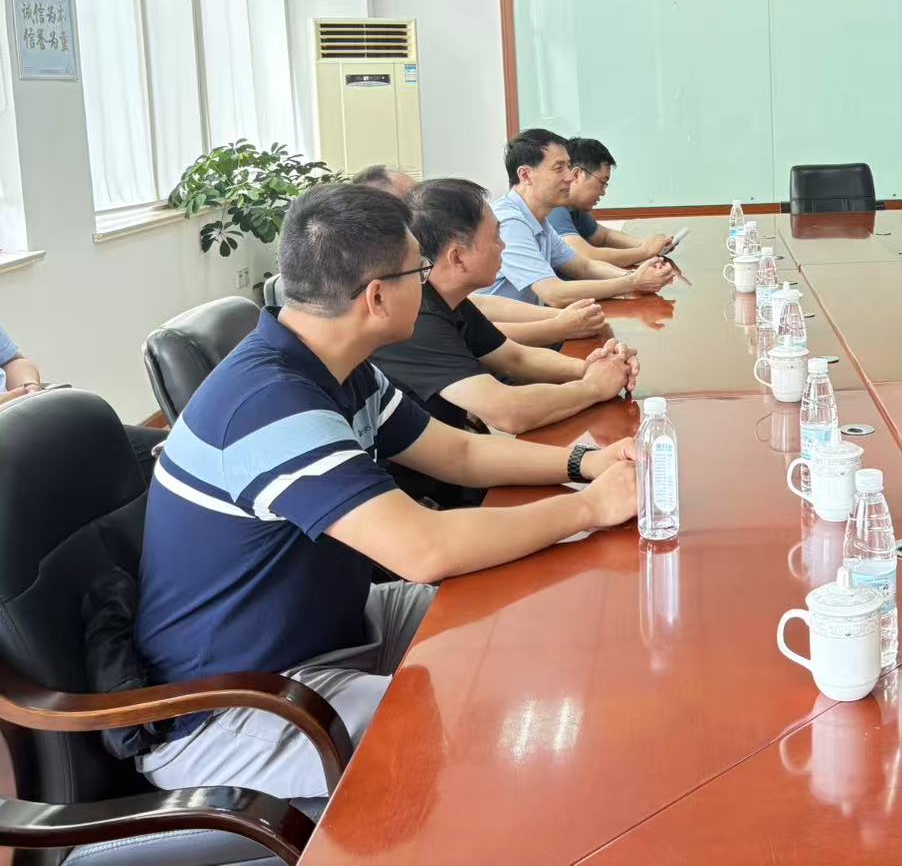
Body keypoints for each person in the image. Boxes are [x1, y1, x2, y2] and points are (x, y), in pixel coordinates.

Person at [133, 184, 639, 802]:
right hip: (238, 702)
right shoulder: (268, 404)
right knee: (473, 733)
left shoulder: (342, 367)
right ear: (377, 297)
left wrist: (586, 463)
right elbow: (423, 549)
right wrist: (590, 506)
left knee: (528, 617)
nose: (426, 286)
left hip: (338, 626)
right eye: (418, 274)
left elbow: (458, 453)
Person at [372, 178, 640, 436]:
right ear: (457, 257)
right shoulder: (417, 317)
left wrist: (593, 366)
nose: (503, 246)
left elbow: (514, 358)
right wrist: (593, 386)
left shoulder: (448, 300)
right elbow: (507, 412)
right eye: (495, 237)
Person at [348, 164, 607, 348]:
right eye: (559, 167)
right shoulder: (399, 295)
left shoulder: (428, 281)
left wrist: (563, 320)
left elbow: (481, 310)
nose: (568, 177)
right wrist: (561, 325)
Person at [487, 129, 674, 307]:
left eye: (568, 167)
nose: (570, 177)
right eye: (559, 168)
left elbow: (584, 266)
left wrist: (635, 276)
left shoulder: (539, 219)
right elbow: (553, 293)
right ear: (526, 175)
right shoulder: (509, 222)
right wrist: (633, 281)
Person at [0, 320, 161, 470]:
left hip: (29, 419)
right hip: (12, 447)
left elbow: (12, 361)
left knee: (161, 452)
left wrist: (30, 387)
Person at [544, 137, 675, 267]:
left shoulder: (575, 208)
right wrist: (645, 251)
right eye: (602, 182)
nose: (603, 192)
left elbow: (604, 237)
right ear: (577, 175)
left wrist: (647, 244)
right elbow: (586, 257)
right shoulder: (554, 207)